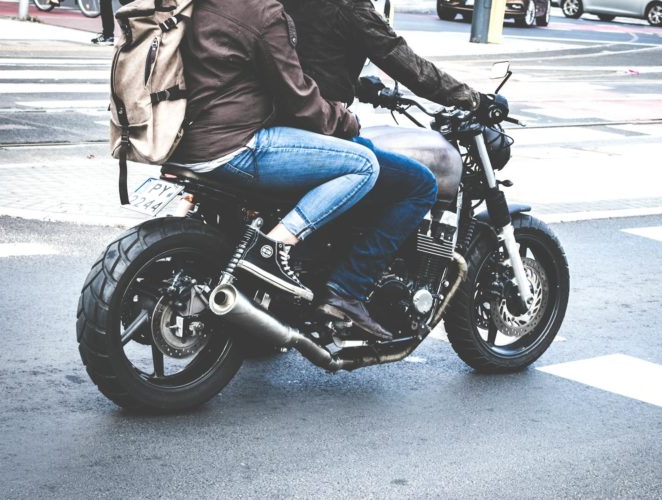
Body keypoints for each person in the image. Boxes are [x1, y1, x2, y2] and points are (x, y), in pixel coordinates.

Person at [281, 0, 500, 336]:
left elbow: (314, 53)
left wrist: (359, 84)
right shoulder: (349, 5)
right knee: (419, 184)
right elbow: (405, 62)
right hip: (323, 130)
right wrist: (473, 99)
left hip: (284, 123)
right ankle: (348, 289)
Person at [168, 0, 386, 337]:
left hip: (177, 142)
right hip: (232, 145)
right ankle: (270, 250)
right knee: (364, 164)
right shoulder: (262, 12)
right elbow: (298, 98)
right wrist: (346, 120)